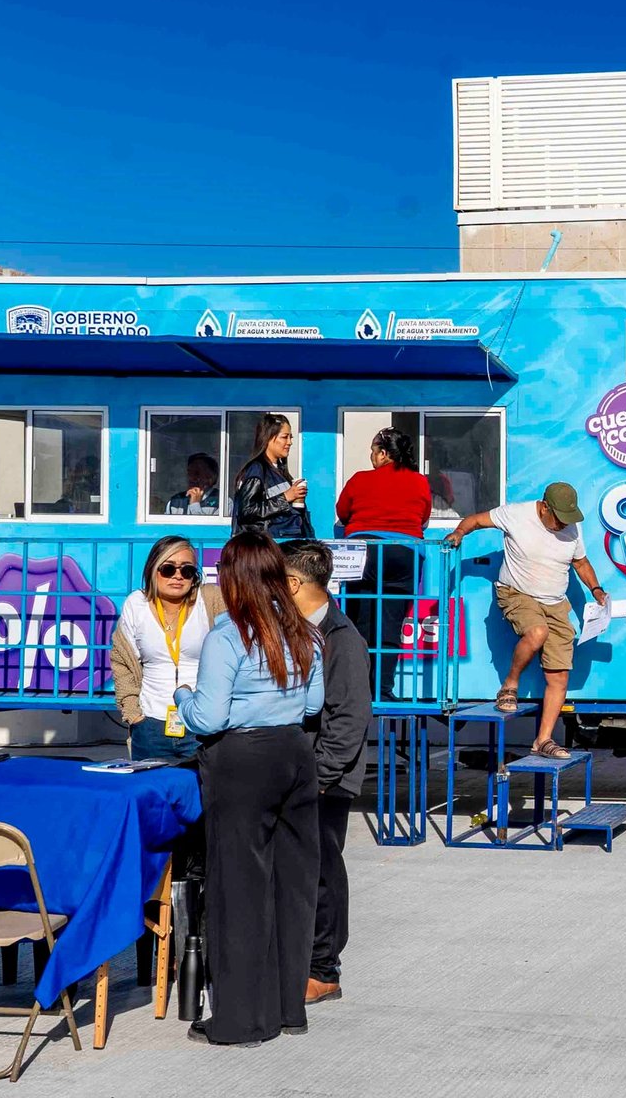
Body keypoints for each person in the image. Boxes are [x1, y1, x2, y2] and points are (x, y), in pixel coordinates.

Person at [175, 532, 324, 1047]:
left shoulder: (228, 636)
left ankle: (240, 1020)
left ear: (234, 579)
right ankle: (287, 1009)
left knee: (238, 889)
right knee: (292, 886)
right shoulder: (304, 632)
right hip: (294, 755)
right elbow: (312, 705)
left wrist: (183, 696)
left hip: (242, 760)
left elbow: (209, 717)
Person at [444, 481, 607, 760]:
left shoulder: (571, 527)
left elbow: (580, 563)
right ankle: (509, 686)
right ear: (544, 508)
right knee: (537, 632)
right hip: (517, 594)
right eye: (559, 518)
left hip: (555, 603)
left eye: (568, 519)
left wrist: (596, 590)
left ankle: (543, 740)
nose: (563, 524)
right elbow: (476, 520)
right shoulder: (516, 514)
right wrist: (459, 533)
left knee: (559, 675)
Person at [282, 541, 372, 1007]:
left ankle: (324, 970)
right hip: (302, 772)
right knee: (299, 872)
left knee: (321, 872)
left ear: (293, 583)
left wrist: (320, 776)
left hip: (326, 781)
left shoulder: (341, 637)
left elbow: (349, 717)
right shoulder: (297, 630)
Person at [335, 427, 431, 702]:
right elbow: (423, 517)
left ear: (384, 454)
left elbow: (343, 512)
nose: (371, 456)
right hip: (404, 553)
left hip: (363, 553)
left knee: (360, 623)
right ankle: (383, 690)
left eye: (373, 451)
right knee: (391, 622)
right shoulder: (419, 482)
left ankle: (358, 690)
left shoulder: (360, 479)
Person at [110, 537, 226, 762]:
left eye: (187, 570)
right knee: (151, 784)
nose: (178, 576)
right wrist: (133, 714)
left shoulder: (211, 599)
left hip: (201, 723)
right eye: (168, 569)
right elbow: (122, 660)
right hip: (150, 724)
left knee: (199, 785)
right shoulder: (136, 604)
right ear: (153, 569)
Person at [232, 413, 313, 540]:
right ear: (268, 438)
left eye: (290, 437)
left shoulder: (280, 472)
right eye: (284, 437)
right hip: (265, 544)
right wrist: (285, 497)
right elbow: (247, 511)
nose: (290, 442)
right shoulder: (257, 470)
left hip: (288, 542)